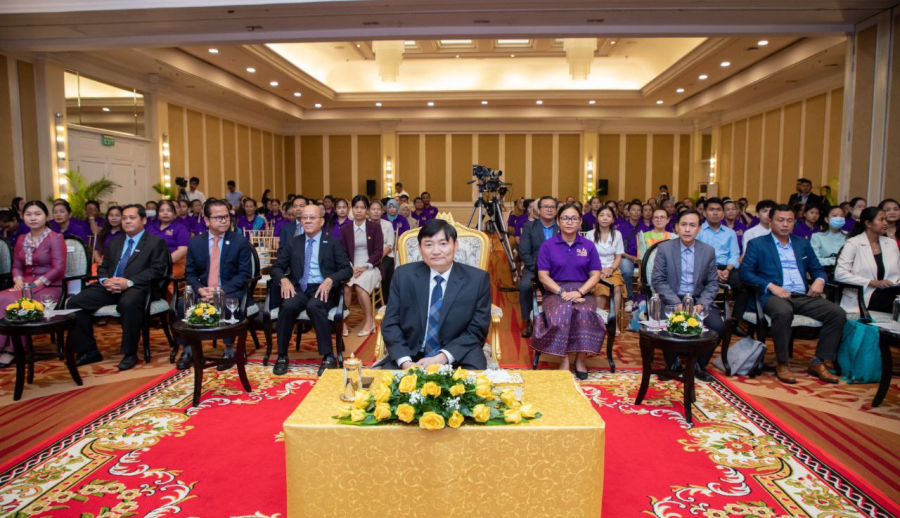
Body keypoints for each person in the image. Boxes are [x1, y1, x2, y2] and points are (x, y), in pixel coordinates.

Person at [739, 204, 844, 385]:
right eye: (780, 220)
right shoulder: (757, 244)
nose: (785, 224)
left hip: (802, 295)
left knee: (837, 313)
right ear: (770, 221)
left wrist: (820, 280)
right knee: (783, 312)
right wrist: (771, 286)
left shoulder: (802, 243)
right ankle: (782, 363)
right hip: (773, 296)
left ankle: (819, 361)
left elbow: (817, 269)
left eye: (789, 220)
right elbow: (745, 273)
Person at [377, 218, 492, 370]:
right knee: (385, 383)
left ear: (455, 246)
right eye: (429, 245)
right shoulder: (403, 275)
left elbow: (478, 329)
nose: (436, 251)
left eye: (443, 244)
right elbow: (391, 322)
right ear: (420, 248)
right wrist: (405, 362)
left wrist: (442, 358)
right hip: (411, 354)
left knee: (474, 382)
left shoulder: (477, 279)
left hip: (458, 355)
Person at [67, 204, 169, 371]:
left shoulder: (155, 242)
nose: (127, 221)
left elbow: (157, 270)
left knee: (128, 303)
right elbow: (103, 266)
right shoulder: (115, 242)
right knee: (74, 302)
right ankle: (88, 351)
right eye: (124, 218)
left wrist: (129, 282)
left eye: (132, 218)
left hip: (138, 287)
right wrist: (105, 281)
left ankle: (130, 353)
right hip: (110, 286)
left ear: (143, 220)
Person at [271, 203, 353, 376]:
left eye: (312, 218)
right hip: (299, 289)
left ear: (321, 221)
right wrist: (284, 280)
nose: (307, 221)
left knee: (314, 306)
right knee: (287, 306)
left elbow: (347, 270)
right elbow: (276, 267)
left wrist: (331, 279)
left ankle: (328, 356)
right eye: (304, 218)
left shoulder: (333, 243)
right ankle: (282, 356)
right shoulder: (293, 243)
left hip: (322, 289)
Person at [174, 199, 253, 370]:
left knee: (226, 303)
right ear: (207, 220)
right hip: (204, 290)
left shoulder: (239, 241)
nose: (224, 221)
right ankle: (188, 350)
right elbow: (190, 274)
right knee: (182, 304)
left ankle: (229, 349)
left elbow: (244, 274)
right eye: (218, 217)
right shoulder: (196, 243)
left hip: (229, 290)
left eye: (226, 217)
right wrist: (200, 290)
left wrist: (220, 290)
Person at [531, 204, 603, 380]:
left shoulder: (588, 245)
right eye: (565, 218)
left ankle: (580, 359)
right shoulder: (548, 246)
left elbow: (596, 274)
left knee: (584, 312)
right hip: (555, 291)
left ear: (580, 222)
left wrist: (580, 291)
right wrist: (562, 292)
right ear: (558, 221)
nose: (569, 222)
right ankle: (563, 359)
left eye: (573, 218)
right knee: (560, 313)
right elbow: (542, 276)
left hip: (582, 290)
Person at [650, 209, 722, 381]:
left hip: (698, 299)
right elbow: (658, 280)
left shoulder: (708, 251)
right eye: (683, 225)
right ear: (676, 227)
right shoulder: (665, 248)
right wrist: (676, 303)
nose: (687, 229)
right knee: (666, 323)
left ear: (699, 229)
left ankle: (698, 364)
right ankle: (673, 363)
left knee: (717, 326)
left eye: (692, 225)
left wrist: (702, 303)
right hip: (671, 298)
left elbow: (712, 283)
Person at [0, 201, 66, 368]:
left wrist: (35, 284)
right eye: (28, 214)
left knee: (15, 300)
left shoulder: (55, 238)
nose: (33, 218)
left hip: (50, 287)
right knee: (2, 297)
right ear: (23, 217)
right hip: (25, 285)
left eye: (37, 214)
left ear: (46, 216)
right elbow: (16, 265)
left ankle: (12, 348)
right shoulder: (22, 239)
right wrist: (18, 279)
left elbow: (58, 269)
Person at [835, 206, 900, 313]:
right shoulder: (853, 243)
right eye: (881, 219)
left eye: (885, 219)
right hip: (863, 294)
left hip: (890, 292)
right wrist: (873, 283)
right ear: (868, 223)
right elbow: (840, 274)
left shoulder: (891, 243)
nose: (885, 223)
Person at [697, 197, 745, 332]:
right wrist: (714, 270)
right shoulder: (699, 231)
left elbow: (734, 254)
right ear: (704, 213)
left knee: (743, 284)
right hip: (704, 268)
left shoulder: (730, 233)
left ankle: (734, 322)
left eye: (718, 210)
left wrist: (728, 270)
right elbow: (697, 255)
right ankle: (704, 318)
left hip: (726, 268)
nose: (715, 213)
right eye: (711, 210)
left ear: (723, 213)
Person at [340, 195, 383, 338]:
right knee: (347, 288)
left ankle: (370, 322)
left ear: (367, 210)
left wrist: (365, 267)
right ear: (352, 209)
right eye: (356, 207)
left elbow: (378, 251)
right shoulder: (345, 228)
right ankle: (343, 322)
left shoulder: (374, 227)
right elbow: (343, 252)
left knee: (359, 287)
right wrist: (351, 267)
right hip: (351, 266)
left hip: (371, 266)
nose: (359, 211)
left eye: (362, 208)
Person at [518, 196, 559, 338]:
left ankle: (558, 321)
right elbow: (524, 251)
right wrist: (537, 268)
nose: (549, 209)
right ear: (539, 210)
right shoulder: (529, 226)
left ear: (556, 210)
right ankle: (528, 322)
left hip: (557, 269)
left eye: (552, 207)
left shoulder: (561, 227)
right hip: (533, 268)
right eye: (546, 207)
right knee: (525, 286)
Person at [585, 206, 625, 321]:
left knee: (616, 287)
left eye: (608, 216)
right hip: (595, 269)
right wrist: (601, 268)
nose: (605, 218)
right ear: (597, 218)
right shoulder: (590, 234)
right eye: (602, 215)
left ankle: (614, 322)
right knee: (600, 287)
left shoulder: (617, 234)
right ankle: (600, 322)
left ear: (613, 219)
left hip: (612, 269)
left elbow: (618, 256)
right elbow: (588, 257)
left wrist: (611, 269)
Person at [618, 201, 650, 311]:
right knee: (626, 270)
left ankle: (644, 299)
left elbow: (649, 246)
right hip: (626, 257)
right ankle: (629, 299)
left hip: (643, 258)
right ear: (628, 212)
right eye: (633, 210)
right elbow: (618, 249)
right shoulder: (621, 228)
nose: (636, 212)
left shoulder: (646, 228)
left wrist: (642, 258)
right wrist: (631, 257)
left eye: (638, 210)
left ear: (641, 213)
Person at [146, 200, 190, 281]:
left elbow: (183, 249)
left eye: (169, 210)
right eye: (162, 211)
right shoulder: (150, 228)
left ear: (174, 214)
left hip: (175, 264)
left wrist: (164, 262)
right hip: (152, 264)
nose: (165, 213)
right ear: (158, 214)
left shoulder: (180, 228)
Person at [369, 200, 396, 304]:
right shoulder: (365, 224)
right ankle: (370, 296)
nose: (376, 212)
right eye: (373, 209)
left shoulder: (388, 224)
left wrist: (380, 257)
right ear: (368, 211)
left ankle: (385, 299)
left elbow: (390, 245)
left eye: (378, 209)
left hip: (385, 254)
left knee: (385, 267)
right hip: (369, 255)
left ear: (382, 211)